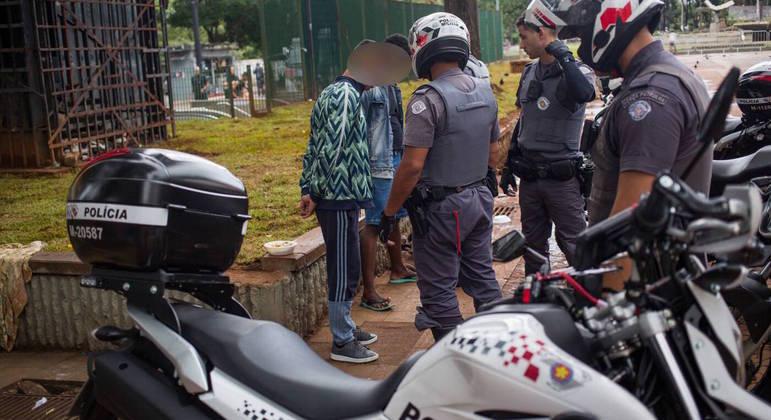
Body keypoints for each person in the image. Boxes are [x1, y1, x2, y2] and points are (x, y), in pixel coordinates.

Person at [524, 0, 710, 289]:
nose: (584, 47)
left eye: (584, 35)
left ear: (611, 19)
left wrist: (605, 300)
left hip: (644, 287)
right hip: (666, 274)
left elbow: (630, 226)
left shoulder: (648, 100)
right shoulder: (670, 76)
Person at [377, 12, 502, 341]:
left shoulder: (427, 100)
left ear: (423, 47)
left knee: (438, 289)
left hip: (443, 209)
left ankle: (455, 358)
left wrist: (390, 212)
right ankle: (500, 345)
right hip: (479, 199)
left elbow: (412, 165)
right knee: (482, 276)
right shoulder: (485, 92)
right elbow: (494, 153)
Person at [298, 57, 379, 363]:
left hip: (336, 195)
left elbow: (314, 145)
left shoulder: (331, 92)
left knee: (346, 263)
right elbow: (332, 146)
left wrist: (307, 188)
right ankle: (342, 341)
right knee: (344, 267)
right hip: (337, 194)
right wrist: (316, 192)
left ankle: (345, 326)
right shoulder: (346, 95)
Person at [503, 14, 596, 274]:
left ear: (542, 33)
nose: (521, 45)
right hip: (530, 178)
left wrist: (565, 57)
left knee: (575, 245)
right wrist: (509, 163)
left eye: (524, 37)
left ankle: (588, 302)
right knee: (532, 246)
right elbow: (524, 119)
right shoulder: (530, 72)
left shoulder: (576, 70)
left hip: (562, 179)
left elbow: (585, 94)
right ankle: (539, 301)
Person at [383, 33, 418, 286]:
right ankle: (396, 268)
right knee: (390, 212)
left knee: (400, 209)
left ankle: (401, 262)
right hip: (385, 157)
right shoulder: (380, 83)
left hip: (397, 151)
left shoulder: (392, 83)